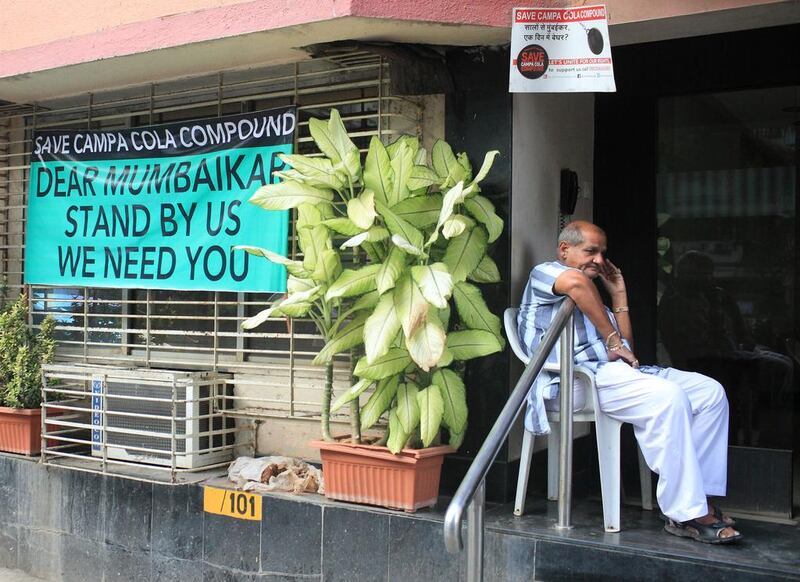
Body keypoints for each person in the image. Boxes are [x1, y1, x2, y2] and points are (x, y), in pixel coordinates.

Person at [517, 220, 742, 544]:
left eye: (602, 253)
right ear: (564, 250)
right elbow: (581, 290)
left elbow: (626, 349)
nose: (598, 259)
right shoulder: (548, 273)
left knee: (710, 393)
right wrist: (611, 339)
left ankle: (698, 498)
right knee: (668, 397)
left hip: (611, 375)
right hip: (570, 380)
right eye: (590, 251)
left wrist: (618, 293)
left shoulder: (594, 295)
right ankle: (687, 513)